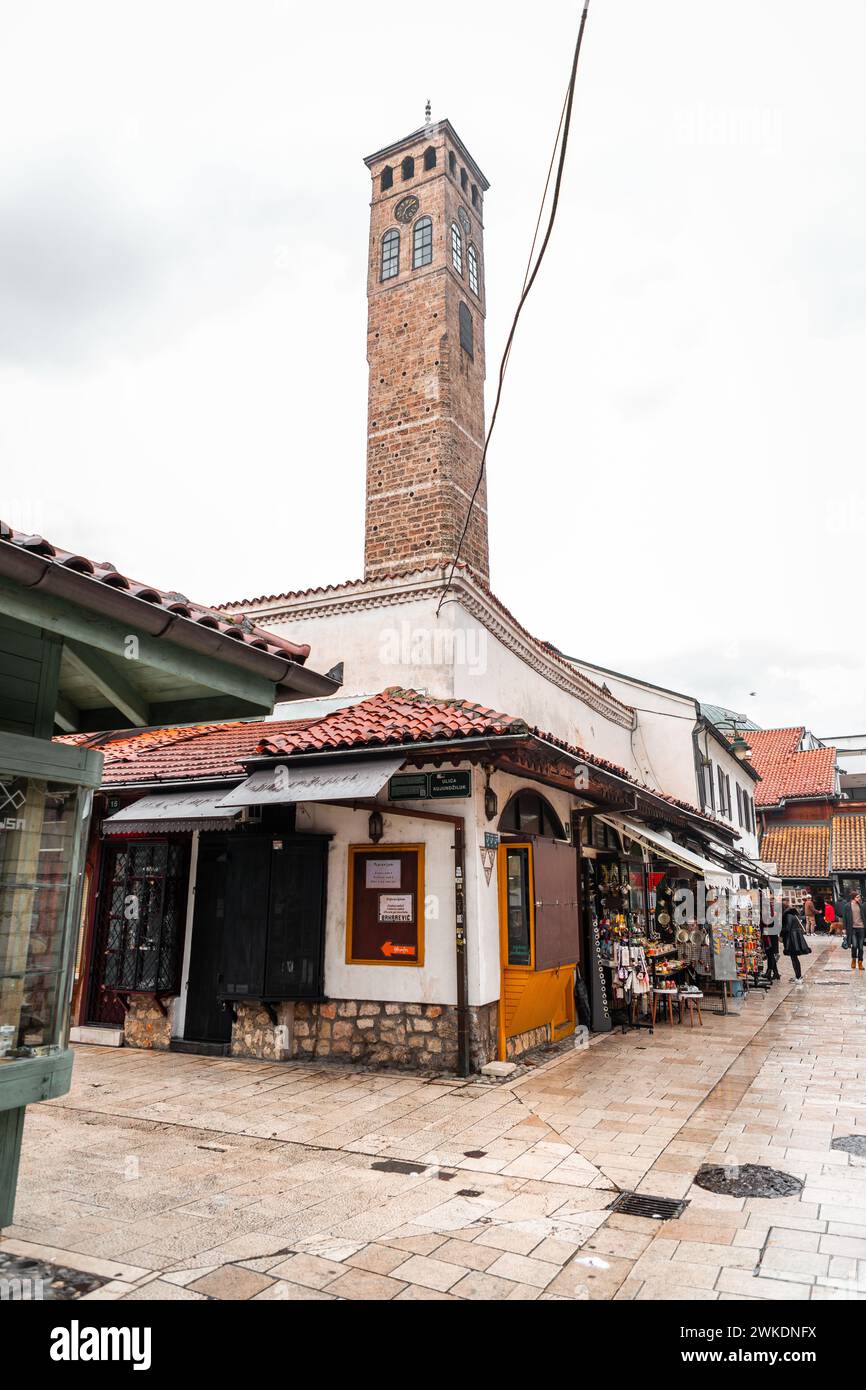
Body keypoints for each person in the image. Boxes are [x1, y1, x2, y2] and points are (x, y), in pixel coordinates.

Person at [781, 898, 810, 986]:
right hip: (794, 937)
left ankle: (798, 977)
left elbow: (787, 928)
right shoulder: (791, 914)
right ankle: (798, 976)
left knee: (794, 958)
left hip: (792, 939)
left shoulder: (788, 915)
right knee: (794, 958)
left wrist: (781, 933)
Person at [843, 892, 866, 971]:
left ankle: (860, 962)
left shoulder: (861, 906)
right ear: (853, 897)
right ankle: (853, 959)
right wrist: (844, 929)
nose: (859, 898)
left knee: (861, 947)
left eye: (859, 897)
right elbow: (844, 918)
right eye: (857, 897)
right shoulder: (847, 906)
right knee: (855, 945)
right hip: (852, 929)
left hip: (861, 928)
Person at [763, 912, 781, 981]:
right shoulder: (773, 918)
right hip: (771, 938)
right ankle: (775, 973)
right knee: (770, 956)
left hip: (771, 939)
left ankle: (769, 972)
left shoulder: (773, 919)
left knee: (770, 955)